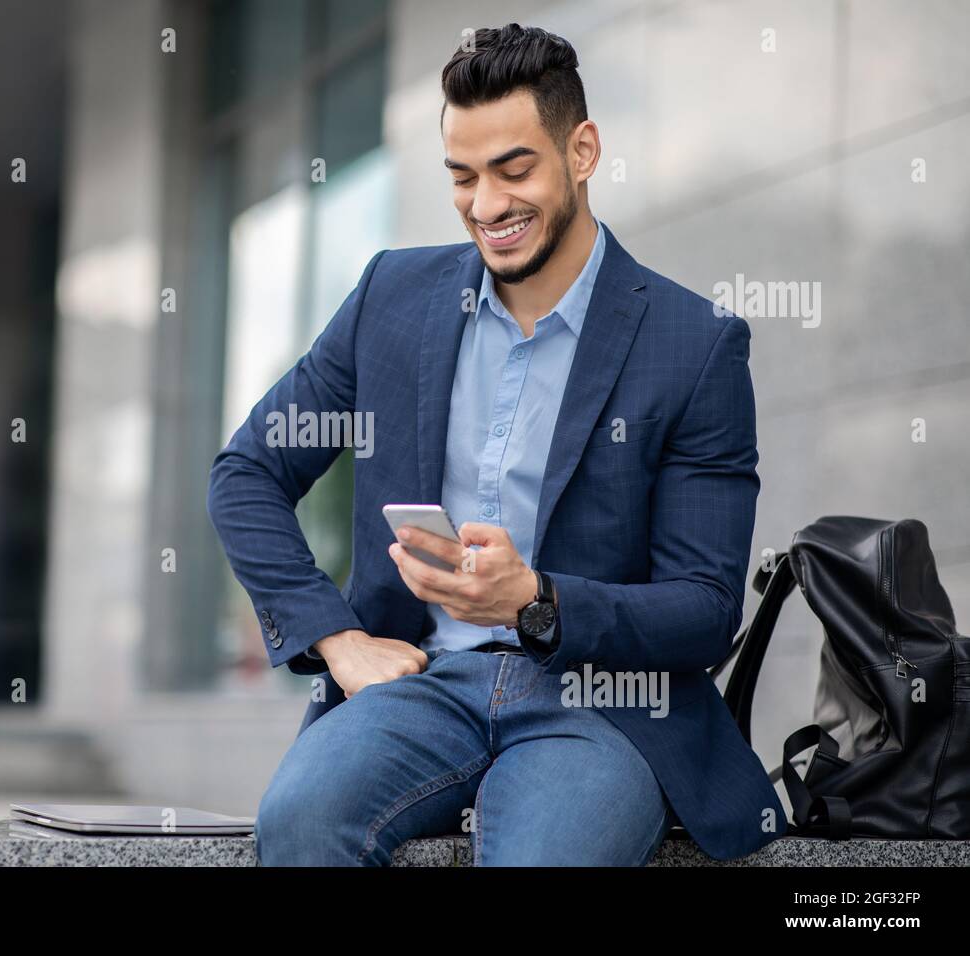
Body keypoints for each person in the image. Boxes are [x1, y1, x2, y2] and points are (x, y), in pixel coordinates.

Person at [207, 23, 786, 865]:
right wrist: (340, 640)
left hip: (599, 707)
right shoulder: (390, 298)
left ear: (582, 150)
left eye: (515, 170)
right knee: (297, 821)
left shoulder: (693, 345)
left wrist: (537, 601)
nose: (487, 206)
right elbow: (247, 472)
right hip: (419, 686)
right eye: (463, 176)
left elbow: (703, 607)